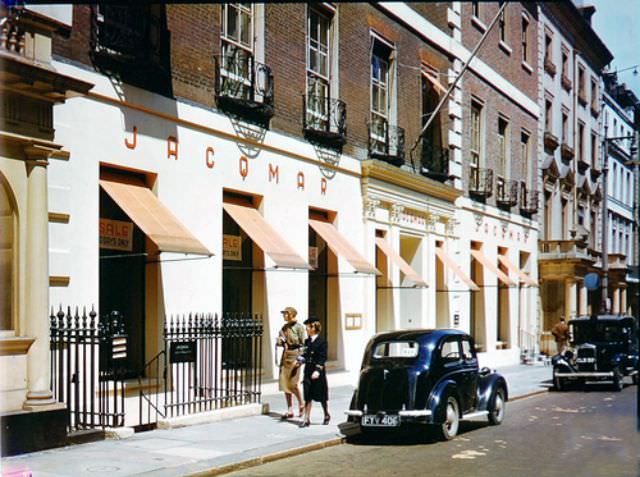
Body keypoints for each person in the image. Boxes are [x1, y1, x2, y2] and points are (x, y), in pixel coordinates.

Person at [299, 317, 330, 428]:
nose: (306, 329)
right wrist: (299, 360)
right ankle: (306, 419)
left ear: (314, 328)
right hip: (308, 370)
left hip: (317, 372)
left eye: (308, 327)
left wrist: (317, 370)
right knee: (307, 395)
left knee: (321, 395)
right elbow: (305, 355)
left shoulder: (322, 342)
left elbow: (323, 357)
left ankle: (326, 414)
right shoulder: (307, 341)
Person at [277, 306, 306, 419]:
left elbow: (304, 344)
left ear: (291, 314)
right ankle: (289, 409)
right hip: (286, 355)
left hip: (295, 355)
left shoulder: (299, 328)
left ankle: (301, 403)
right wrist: (280, 341)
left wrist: (301, 359)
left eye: (285, 313)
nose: (284, 315)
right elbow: (280, 341)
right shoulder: (284, 328)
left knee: (293, 383)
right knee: (285, 383)